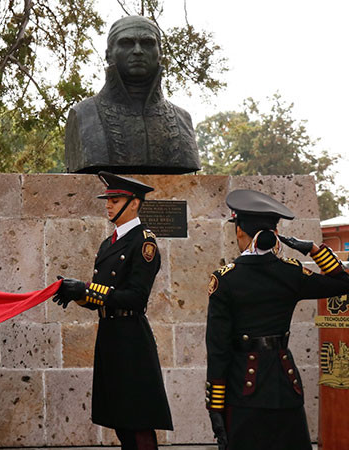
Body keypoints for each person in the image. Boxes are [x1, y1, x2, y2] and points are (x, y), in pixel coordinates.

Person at [204, 189, 349, 450]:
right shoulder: (291, 273)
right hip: (285, 384)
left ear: (239, 231)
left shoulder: (225, 279)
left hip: (242, 388)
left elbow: (217, 350)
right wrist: (314, 250)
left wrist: (215, 406)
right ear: (275, 234)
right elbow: (344, 282)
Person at [52, 172, 173, 450]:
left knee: (139, 420)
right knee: (120, 419)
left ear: (134, 203)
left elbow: (135, 297)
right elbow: (100, 297)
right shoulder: (109, 244)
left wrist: (84, 289)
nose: (108, 205)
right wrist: (76, 294)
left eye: (115, 199)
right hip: (110, 336)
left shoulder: (144, 242)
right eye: (108, 199)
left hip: (131, 338)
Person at [64, 15, 199, 174]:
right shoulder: (83, 115)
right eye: (127, 43)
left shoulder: (182, 119)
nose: (137, 51)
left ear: (160, 53)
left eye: (147, 43)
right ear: (108, 54)